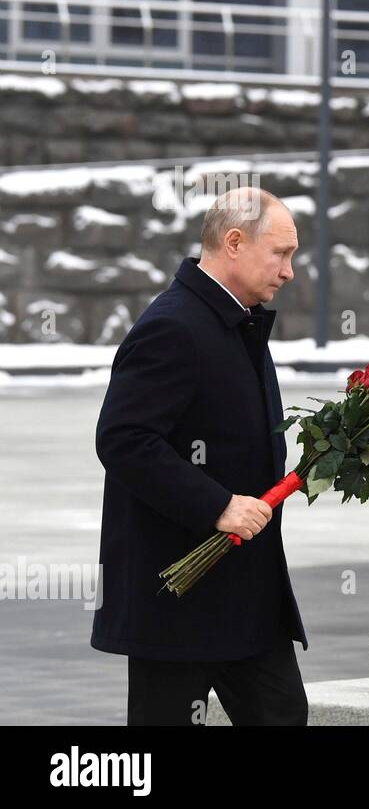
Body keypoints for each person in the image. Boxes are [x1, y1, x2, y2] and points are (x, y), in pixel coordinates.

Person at [91, 185, 309, 725]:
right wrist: (217, 505)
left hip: (245, 599)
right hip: (178, 603)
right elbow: (123, 440)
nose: (288, 271)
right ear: (234, 242)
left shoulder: (236, 320)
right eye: (280, 253)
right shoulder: (174, 325)